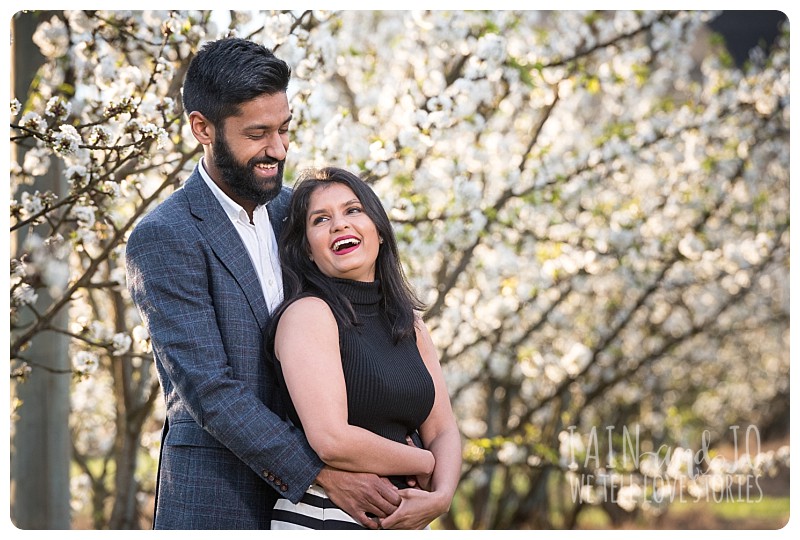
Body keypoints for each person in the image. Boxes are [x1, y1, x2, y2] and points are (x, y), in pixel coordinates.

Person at [125, 37, 405, 529]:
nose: (277, 149)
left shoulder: (304, 215)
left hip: (327, 511)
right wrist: (320, 472)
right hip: (219, 498)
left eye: (284, 129)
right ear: (202, 128)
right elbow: (208, 389)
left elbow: (366, 324)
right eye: (258, 133)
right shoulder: (164, 236)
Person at [266, 167, 462, 530]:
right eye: (320, 219)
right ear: (308, 250)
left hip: (406, 520)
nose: (339, 225)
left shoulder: (408, 323)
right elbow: (331, 440)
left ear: (380, 232)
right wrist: (424, 462)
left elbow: (443, 429)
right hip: (326, 518)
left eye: (353, 210)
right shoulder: (309, 314)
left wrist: (441, 497)